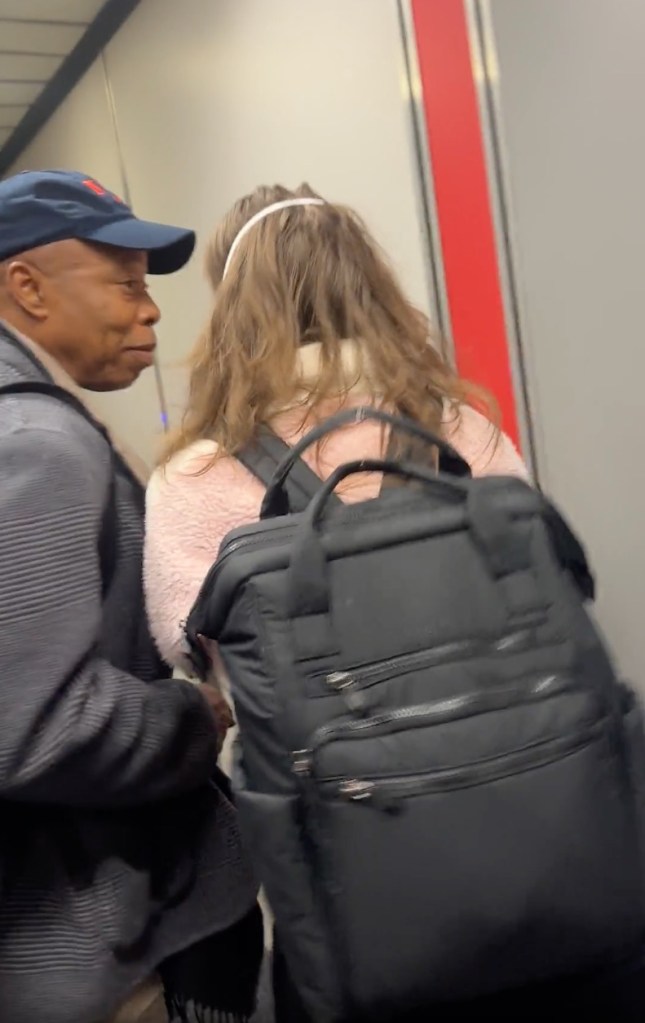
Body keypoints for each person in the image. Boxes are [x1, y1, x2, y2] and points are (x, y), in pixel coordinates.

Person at [143, 183, 529, 1020]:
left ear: (231, 306)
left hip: (344, 859)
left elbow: (189, 648)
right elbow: (542, 581)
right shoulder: (460, 428)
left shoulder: (195, 477)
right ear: (369, 284)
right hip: (523, 810)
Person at [0, 170, 264, 1023]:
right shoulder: (35, 443)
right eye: (122, 282)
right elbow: (33, 725)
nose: (149, 309)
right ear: (27, 286)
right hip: (96, 950)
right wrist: (197, 715)